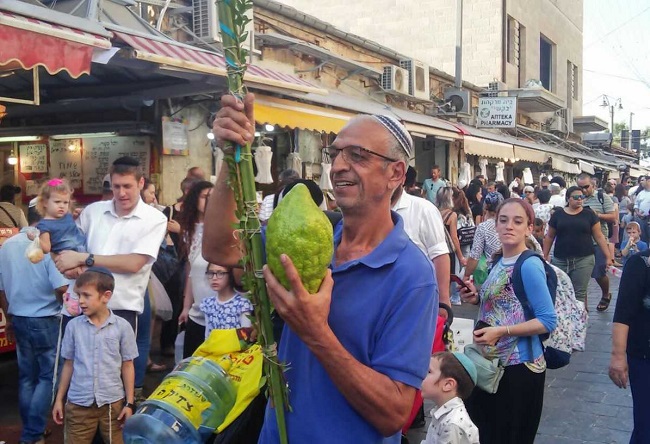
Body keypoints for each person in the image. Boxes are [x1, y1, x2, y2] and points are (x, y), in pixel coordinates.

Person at [205, 93, 437, 443]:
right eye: (335, 154)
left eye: (357, 155)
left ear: (395, 173)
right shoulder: (308, 236)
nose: (339, 165)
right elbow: (220, 246)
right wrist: (232, 157)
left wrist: (317, 333)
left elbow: (394, 414)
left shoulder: (413, 276)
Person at [54, 156, 167, 400]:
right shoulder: (93, 212)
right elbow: (68, 250)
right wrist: (69, 265)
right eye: (116, 187)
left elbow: (134, 263)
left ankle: (112, 434)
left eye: (127, 186)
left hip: (120, 309)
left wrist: (87, 258)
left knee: (114, 381)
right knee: (74, 375)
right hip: (79, 307)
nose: (121, 193)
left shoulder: (155, 218)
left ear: (141, 183)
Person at [460, 198, 557, 444]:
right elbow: (504, 303)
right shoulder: (498, 260)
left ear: (528, 227)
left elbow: (547, 320)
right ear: (495, 225)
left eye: (517, 221)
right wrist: (475, 297)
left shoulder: (529, 265)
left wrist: (501, 331)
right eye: (503, 220)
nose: (509, 226)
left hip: (519, 368)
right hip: (491, 365)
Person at [0, 210, 68, 444]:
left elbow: (1, 287)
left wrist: (9, 316)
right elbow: (61, 288)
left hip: (19, 318)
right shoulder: (46, 245)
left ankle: (32, 430)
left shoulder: (7, 246)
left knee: (27, 377)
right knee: (47, 377)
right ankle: (32, 433)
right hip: (46, 319)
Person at [52, 267, 138, 444]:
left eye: (86, 295)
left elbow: (127, 365)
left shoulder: (122, 327)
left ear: (106, 296)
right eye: (78, 295)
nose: (80, 301)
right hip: (78, 404)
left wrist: (129, 403)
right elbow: (68, 364)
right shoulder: (73, 327)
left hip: (113, 404)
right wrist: (59, 399)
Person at [391, 168, 450, 311]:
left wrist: (443, 301)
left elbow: (440, 255)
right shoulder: (366, 212)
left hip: (418, 302)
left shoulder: (423, 209)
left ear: (401, 177)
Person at [543, 186, 611, 309]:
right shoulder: (558, 215)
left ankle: (580, 321)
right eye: (576, 197)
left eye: (582, 197)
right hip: (561, 259)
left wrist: (608, 256)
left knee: (579, 293)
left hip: (584, 259)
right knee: (561, 291)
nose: (579, 200)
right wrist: (545, 255)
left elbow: (599, 236)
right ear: (568, 199)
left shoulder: (589, 214)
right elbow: (549, 236)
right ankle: (565, 320)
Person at [609, 248, 650, 444]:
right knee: (646, 425)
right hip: (645, 357)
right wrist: (618, 355)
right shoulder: (641, 263)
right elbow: (623, 313)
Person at [177, 181, 216, 357]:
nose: (208, 201)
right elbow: (191, 271)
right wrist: (186, 306)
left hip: (219, 310)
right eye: (204, 196)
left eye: (212, 197)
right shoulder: (189, 230)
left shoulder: (220, 228)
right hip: (196, 310)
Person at [576, 174, 617, 311]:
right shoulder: (576, 198)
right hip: (582, 242)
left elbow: (613, 217)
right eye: (580, 187)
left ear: (593, 185)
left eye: (586, 187)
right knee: (582, 277)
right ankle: (584, 308)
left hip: (598, 241)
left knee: (599, 273)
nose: (583, 190)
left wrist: (596, 214)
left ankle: (606, 294)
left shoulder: (602, 197)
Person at [421, 352, 480, 444]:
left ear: (448, 384)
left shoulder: (453, 424)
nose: (422, 375)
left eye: (429, 371)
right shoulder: (442, 413)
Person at [34, 178, 86, 257]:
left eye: (65, 202)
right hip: (66, 258)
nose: (62, 206)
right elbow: (46, 248)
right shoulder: (44, 225)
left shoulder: (68, 216)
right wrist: (35, 238)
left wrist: (78, 215)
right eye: (57, 202)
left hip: (85, 252)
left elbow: (69, 225)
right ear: (45, 202)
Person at [200, 263, 253, 337]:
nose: (214, 278)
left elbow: (245, 336)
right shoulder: (208, 303)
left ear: (231, 276)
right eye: (211, 273)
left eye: (220, 273)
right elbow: (207, 335)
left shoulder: (242, 304)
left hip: (235, 347)